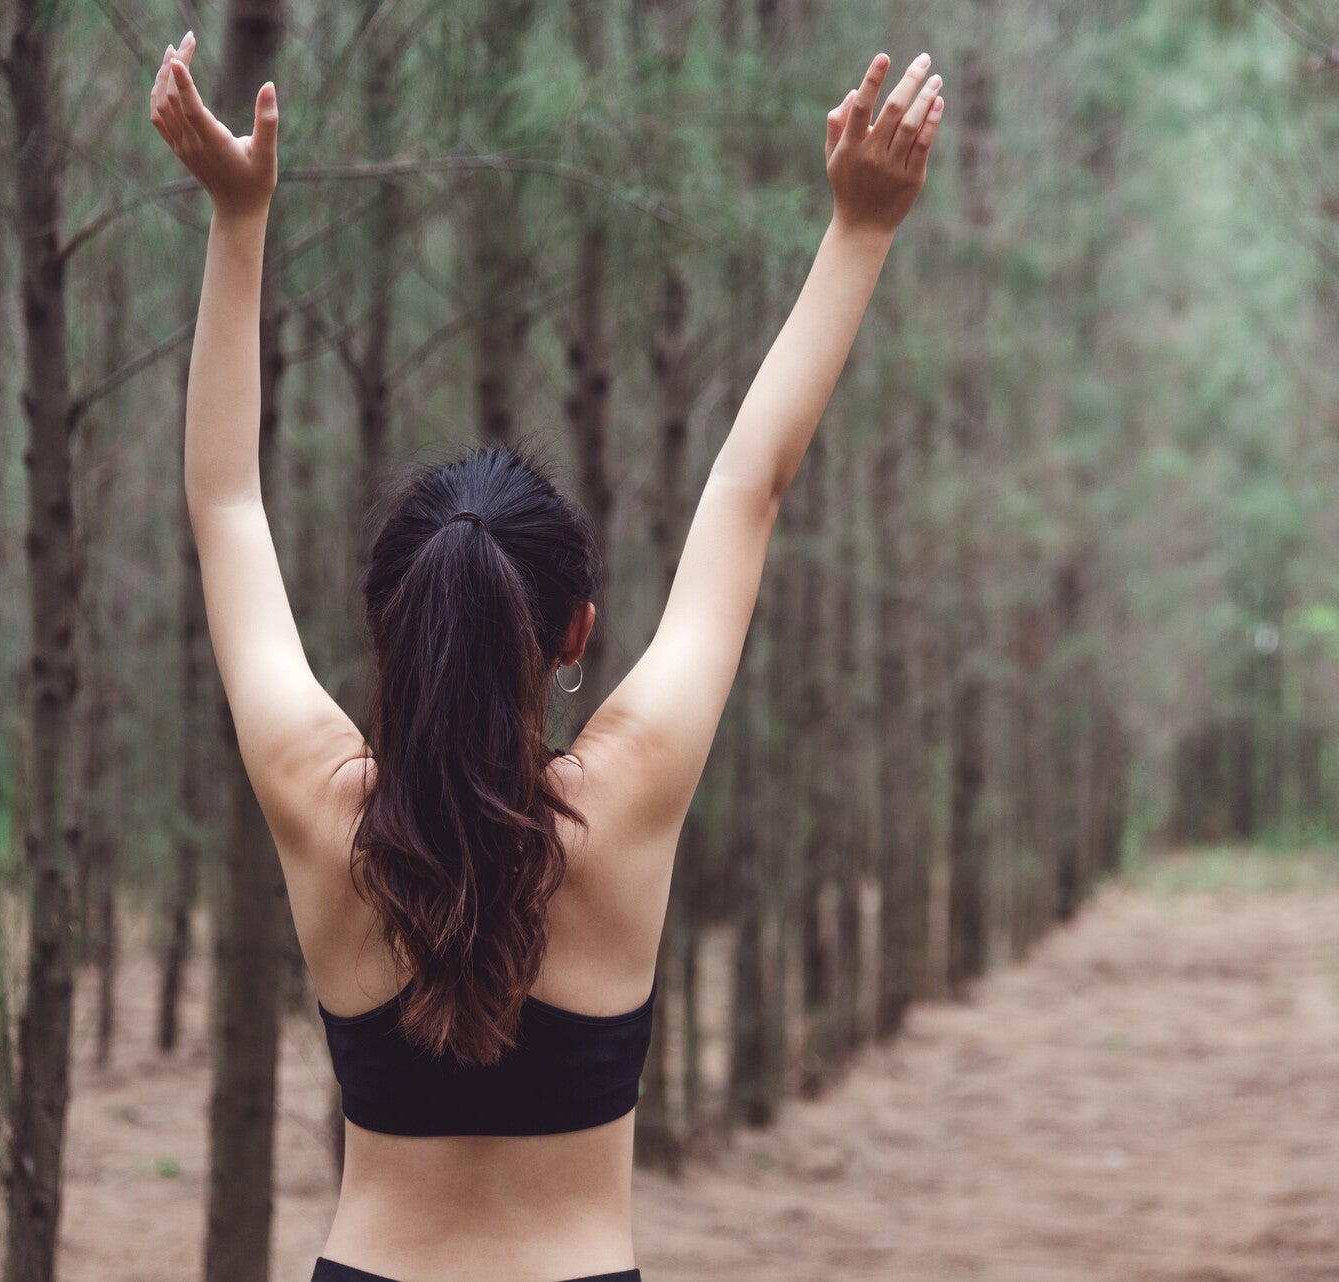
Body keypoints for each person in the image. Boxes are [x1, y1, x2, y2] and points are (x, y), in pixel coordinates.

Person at [147, 30, 945, 1282]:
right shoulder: (623, 804)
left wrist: (237, 218)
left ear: (387, 624)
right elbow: (749, 487)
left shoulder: (322, 805)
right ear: (575, 632)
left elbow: (225, 503)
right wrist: (859, 229)